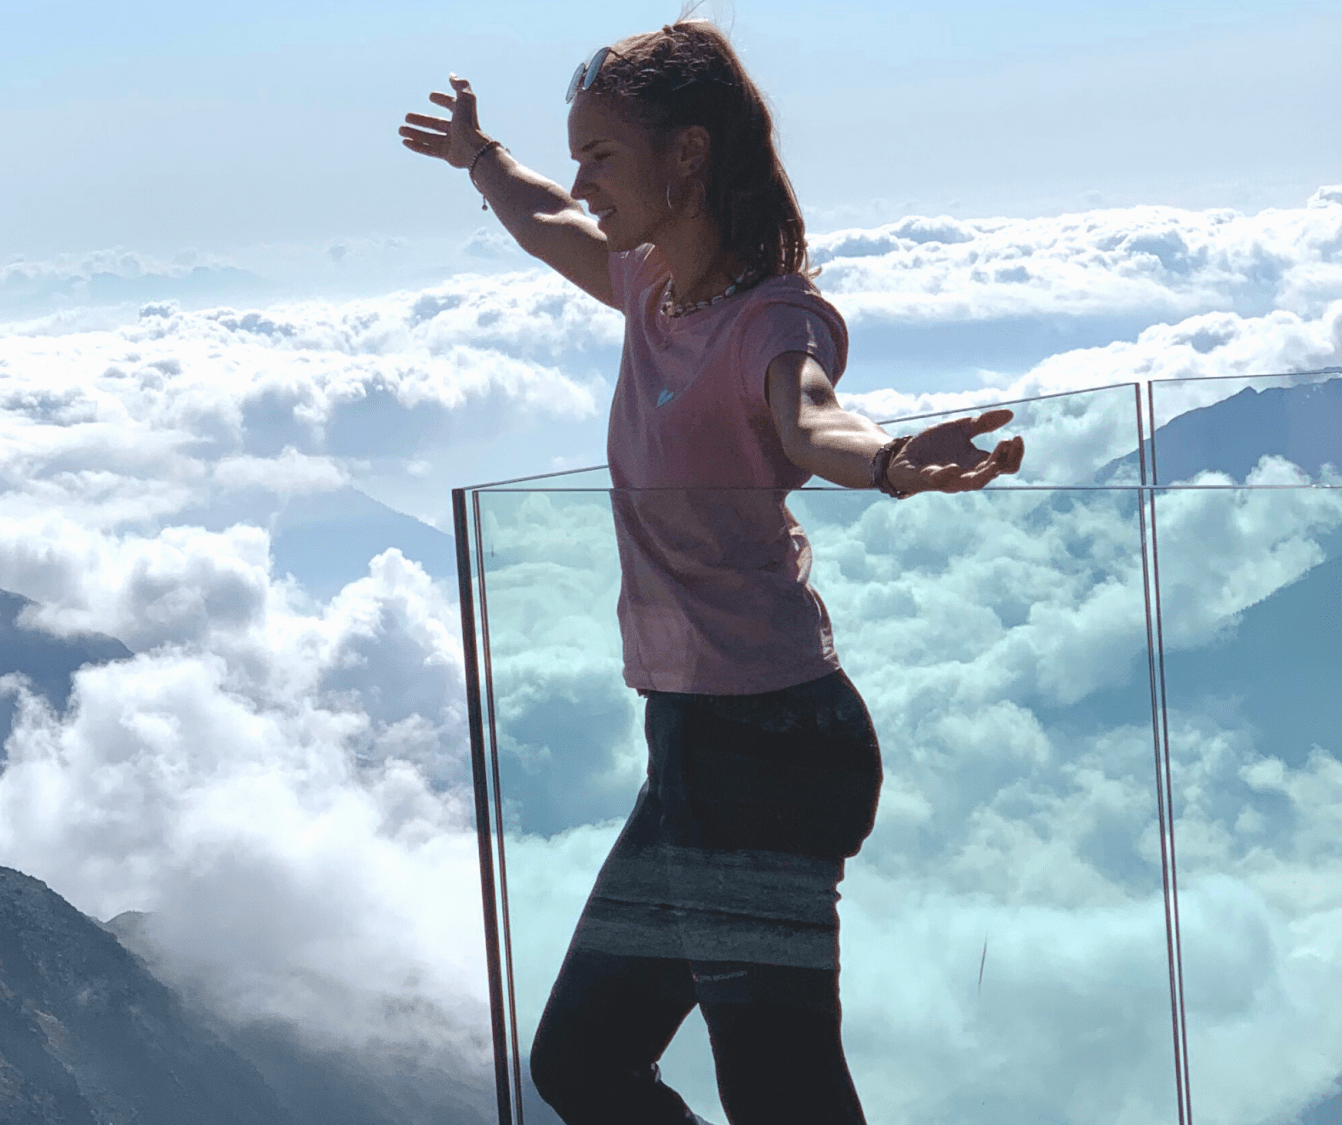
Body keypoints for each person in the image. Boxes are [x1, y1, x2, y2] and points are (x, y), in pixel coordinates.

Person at [400, 20, 1026, 1125]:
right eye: (579, 157)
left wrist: (887, 462)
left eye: (603, 156)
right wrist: (479, 157)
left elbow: (809, 418)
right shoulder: (650, 287)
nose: (584, 183)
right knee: (582, 1065)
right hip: (693, 743)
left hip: (770, 744)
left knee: (779, 1089)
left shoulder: (770, 318)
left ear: (686, 154)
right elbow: (545, 219)